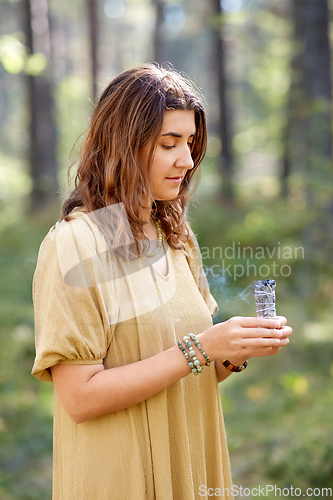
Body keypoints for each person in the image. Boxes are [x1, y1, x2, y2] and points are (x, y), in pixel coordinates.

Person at [31, 64, 292, 500]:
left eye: (190, 143)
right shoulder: (74, 244)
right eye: (168, 144)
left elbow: (185, 370)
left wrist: (232, 352)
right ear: (123, 146)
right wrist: (204, 346)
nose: (186, 160)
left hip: (190, 463)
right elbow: (80, 399)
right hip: (120, 479)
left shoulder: (175, 235)